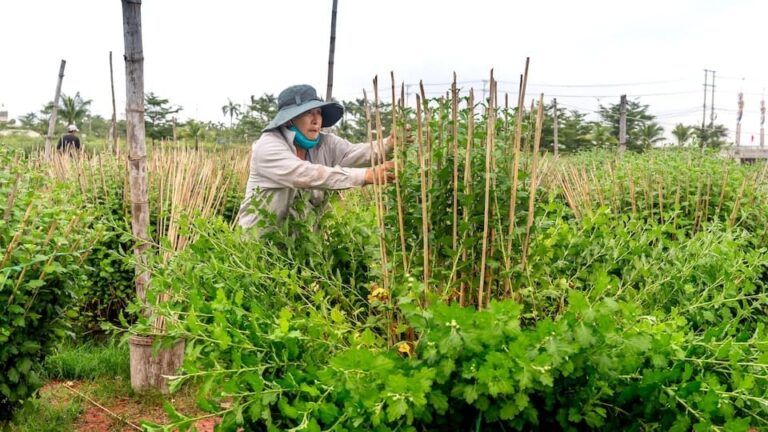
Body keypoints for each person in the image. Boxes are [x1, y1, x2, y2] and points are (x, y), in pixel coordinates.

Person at [237, 84, 399, 231]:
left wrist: (389, 144)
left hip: (301, 247)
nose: (316, 120)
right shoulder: (268, 146)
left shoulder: (325, 143)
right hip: (259, 246)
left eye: (318, 113)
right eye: (308, 113)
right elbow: (304, 174)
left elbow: (354, 153)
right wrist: (365, 175)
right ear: (289, 119)